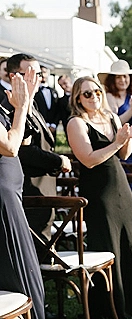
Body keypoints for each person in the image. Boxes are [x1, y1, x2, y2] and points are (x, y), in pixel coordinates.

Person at [66, 77, 132, 319]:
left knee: (128, 240)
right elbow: (89, 159)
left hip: (119, 184)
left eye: (96, 91)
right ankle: (108, 307)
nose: (93, 97)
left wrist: (127, 139)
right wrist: (117, 142)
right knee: (106, 241)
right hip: (97, 189)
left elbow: (123, 154)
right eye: (87, 94)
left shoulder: (112, 117)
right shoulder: (76, 123)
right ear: (77, 99)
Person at [0, 66, 48, 319]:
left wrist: (22, 105)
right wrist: (22, 107)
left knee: (25, 279)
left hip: (9, 197)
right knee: (18, 278)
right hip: (2, 205)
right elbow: (9, 146)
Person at [2, 54, 72, 237]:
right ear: (13, 76)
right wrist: (58, 161)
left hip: (44, 187)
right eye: (31, 74)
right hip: (29, 189)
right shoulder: (9, 107)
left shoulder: (32, 103)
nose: (37, 79)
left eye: (39, 74)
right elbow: (23, 150)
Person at [99, 60, 132, 163]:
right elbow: (113, 123)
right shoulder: (109, 97)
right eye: (118, 77)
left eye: (125, 76)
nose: (122, 80)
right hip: (119, 148)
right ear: (112, 80)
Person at [34, 65, 59, 134]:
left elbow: (57, 109)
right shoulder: (34, 91)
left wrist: (54, 124)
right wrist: (45, 124)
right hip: (39, 126)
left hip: (53, 127)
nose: (43, 75)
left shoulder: (53, 91)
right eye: (40, 73)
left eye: (44, 72)